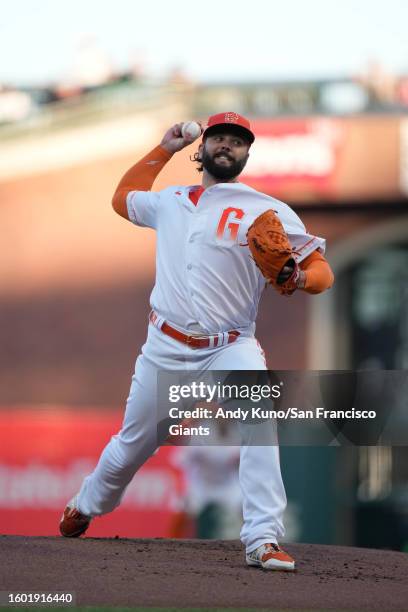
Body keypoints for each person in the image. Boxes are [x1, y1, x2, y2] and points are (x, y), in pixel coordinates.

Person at [59, 112, 334, 571]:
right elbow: (122, 199)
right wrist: (163, 147)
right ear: (201, 148)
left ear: (247, 154)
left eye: (237, 141)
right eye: (219, 138)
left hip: (231, 345)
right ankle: (86, 505)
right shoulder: (169, 201)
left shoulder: (266, 210)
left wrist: (299, 275)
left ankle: (263, 539)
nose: (227, 145)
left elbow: (323, 274)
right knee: (134, 444)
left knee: (259, 423)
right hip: (164, 346)